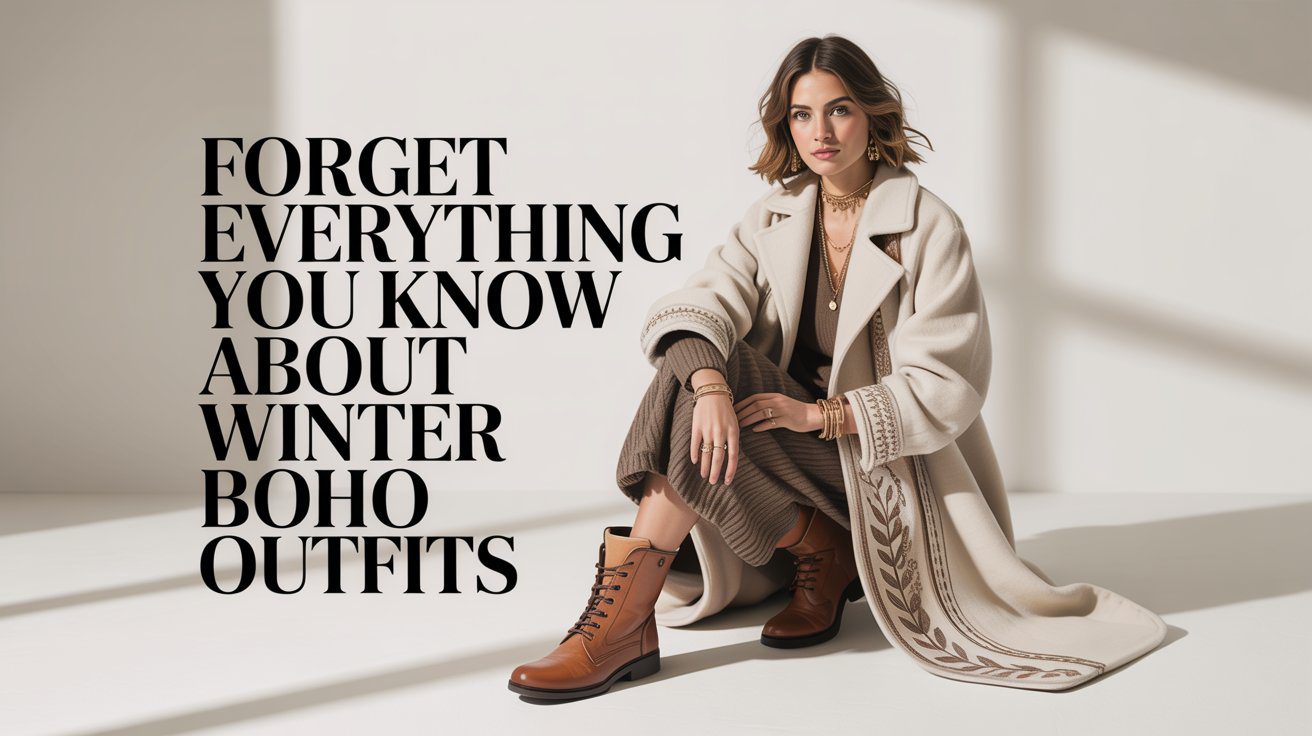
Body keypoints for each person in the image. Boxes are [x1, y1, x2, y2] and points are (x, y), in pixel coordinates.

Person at [508, 34, 1167, 701]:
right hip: (782, 456)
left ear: (873, 116)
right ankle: (799, 555)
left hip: (881, 464)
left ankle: (623, 624)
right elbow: (699, 302)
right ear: (784, 124)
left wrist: (819, 413)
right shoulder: (772, 216)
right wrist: (709, 384)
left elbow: (948, 385)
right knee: (694, 371)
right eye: (801, 114)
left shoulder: (929, 225)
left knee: (704, 384)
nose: (819, 131)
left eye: (839, 110)